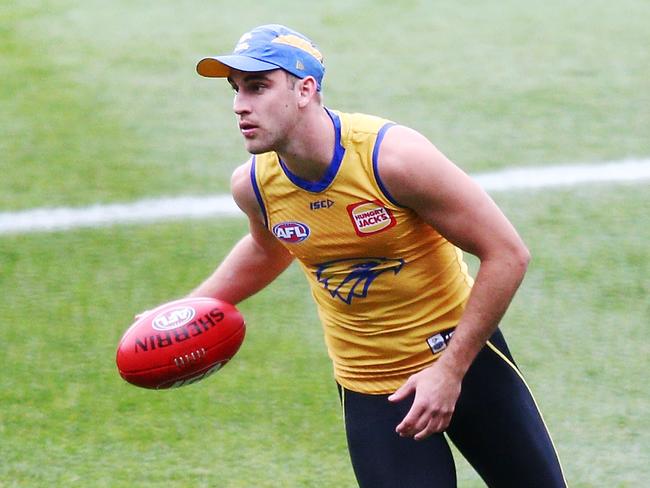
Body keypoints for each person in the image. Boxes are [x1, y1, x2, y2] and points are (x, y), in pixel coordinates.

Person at [190, 24, 568, 487]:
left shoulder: (392, 159)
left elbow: (508, 253)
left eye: (258, 86)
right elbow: (268, 248)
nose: (239, 104)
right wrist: (192, 308)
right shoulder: (254, 185)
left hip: (466, 364)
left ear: (305, 89)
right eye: (235, 90)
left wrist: (450, 370)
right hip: (371, 389)